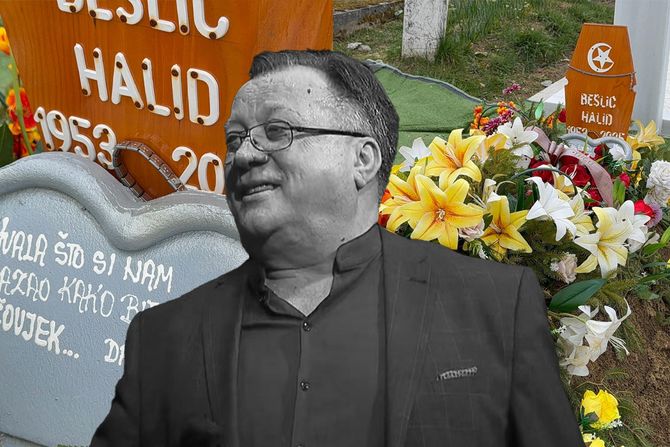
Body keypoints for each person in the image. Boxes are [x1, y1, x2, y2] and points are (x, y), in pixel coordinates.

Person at [91, 50, 584, 447]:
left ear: (362, 159)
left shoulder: (493, 307)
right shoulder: (163, 338)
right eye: (235, 139)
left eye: (277, 132)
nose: (244, 154)